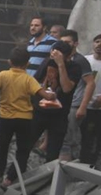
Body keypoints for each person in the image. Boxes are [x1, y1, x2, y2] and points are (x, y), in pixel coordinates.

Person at [0, 47, 55, 186]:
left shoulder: (3, 75)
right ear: (27, 63)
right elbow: (46, 95)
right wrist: (53, 94)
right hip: (24, 119)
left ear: (9, 61)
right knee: (23, 151)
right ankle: (11, 179)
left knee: (1, 149)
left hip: (6, 119)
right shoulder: (29, 79)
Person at [27, 40, 82, 166]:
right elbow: (34, 82)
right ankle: (12, 176)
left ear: (67, 56)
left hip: (59, 114)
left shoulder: (74, 67)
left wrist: (61, 65)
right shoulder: (47, 62)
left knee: (53, 152)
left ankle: (49, 181)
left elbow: (67, 88)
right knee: (26, 144)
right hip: (39, 112)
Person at [58, 30, 95, 161]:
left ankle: (69, 171)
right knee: (62, 137)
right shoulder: (62, 59)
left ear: (75, 43)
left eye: (68, 42)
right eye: (62, 42)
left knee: (70, 139)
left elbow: (91, 83)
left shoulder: (80, 60)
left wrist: (83, 107)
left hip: (74, 105)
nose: (64, 45)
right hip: (62, 104)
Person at [81, 34, 101, 165]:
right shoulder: (85, 60)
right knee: (84, 136)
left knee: (97, 138)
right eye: (97, 41)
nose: (99, 45)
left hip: (98, 107)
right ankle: (83, 163)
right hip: (83, 105)